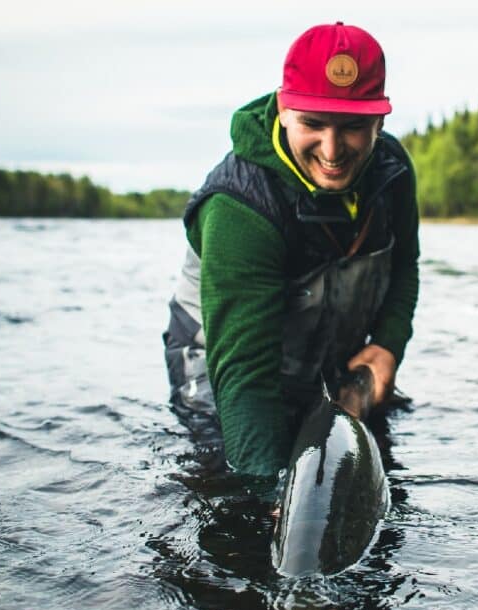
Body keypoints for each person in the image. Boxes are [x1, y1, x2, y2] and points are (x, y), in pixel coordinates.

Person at [163, 22, 419, 478]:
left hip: (321, 360)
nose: (332, 149)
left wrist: (387, 345)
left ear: (381, 120)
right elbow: (244, 376)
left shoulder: (393, 173)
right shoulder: (238, 206)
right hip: (226, 372)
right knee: (234, 491)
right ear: (284, 110)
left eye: (354, 127)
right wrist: (267, 494)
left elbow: (404, 268)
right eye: (313, 124)